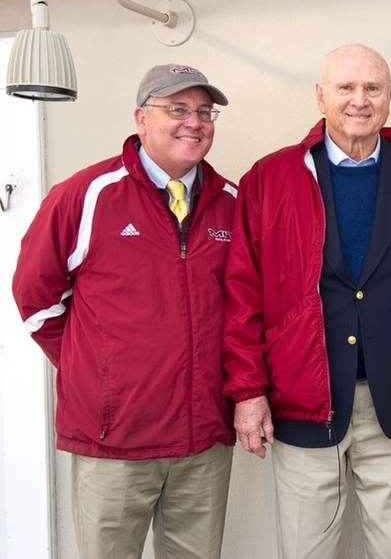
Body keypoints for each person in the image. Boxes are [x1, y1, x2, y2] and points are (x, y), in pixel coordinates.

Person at [222, 44, 391, 559]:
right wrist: (247, 391)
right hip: (303, 402)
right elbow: (243, 294)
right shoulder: (271, 179)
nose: (360, 100)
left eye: (372, 88)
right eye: (346, 87)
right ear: (321, 96)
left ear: (390, 97)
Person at [12, 64, 236, 559]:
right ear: (141, 118)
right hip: (113, 443)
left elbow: (245, 314)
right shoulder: (86, 195)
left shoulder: (231, 204)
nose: (194, 122)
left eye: (204, 112)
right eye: (177, 109)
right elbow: (34, 296)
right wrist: (95, 370)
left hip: (203, 442)